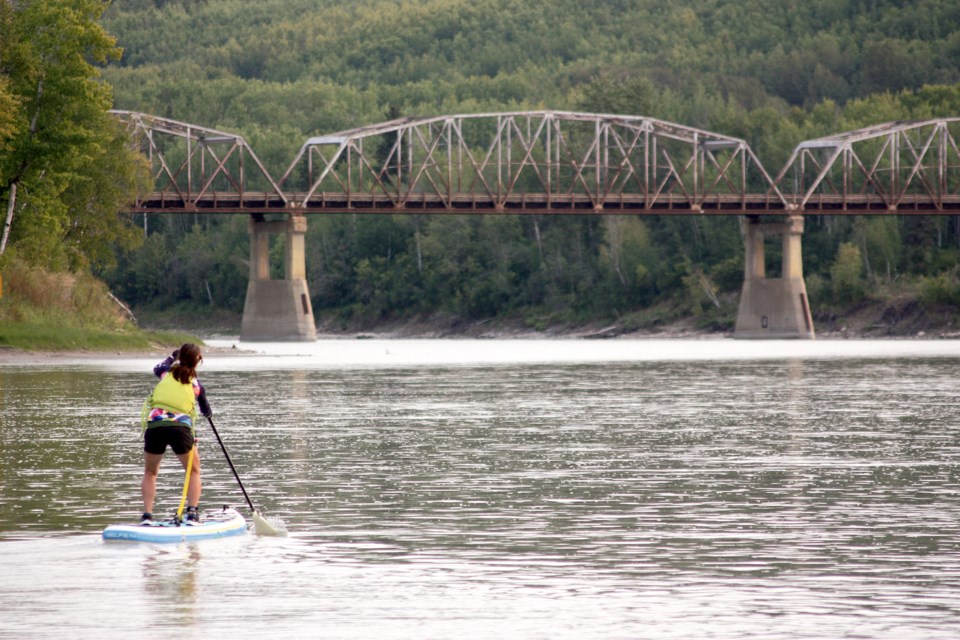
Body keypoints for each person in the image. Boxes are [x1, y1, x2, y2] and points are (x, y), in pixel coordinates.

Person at [139, 343, 212, 525]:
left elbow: (158, 367)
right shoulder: (197, 386)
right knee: (193, 471)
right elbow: (206, 410)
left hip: (155, 425)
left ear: (180, 358)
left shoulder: (165, 374)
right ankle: (192, 514)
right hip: (180, 429)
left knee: (150, 472)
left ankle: (147, 516)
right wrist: (207, 411)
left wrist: (172, 357)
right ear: (197, 362)